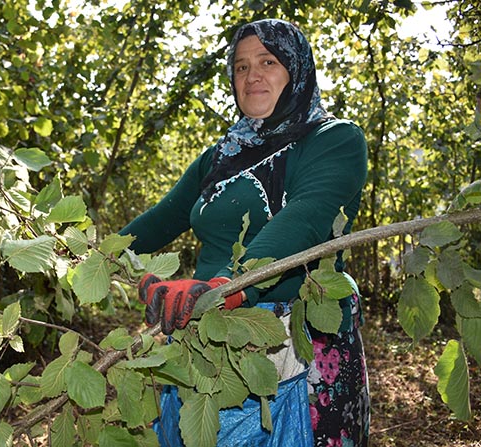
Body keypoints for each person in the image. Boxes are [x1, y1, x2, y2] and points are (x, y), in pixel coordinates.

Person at [119, 18, 370, 447]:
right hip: (205, 336)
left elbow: (305, 218)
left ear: (296, 70)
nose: (251, 75)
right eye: (240, 67)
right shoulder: (221, 156)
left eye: (267, 62)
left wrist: (228, 287)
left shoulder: (334, 139)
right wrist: (107, 257)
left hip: (292, 346)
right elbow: (160, 220)